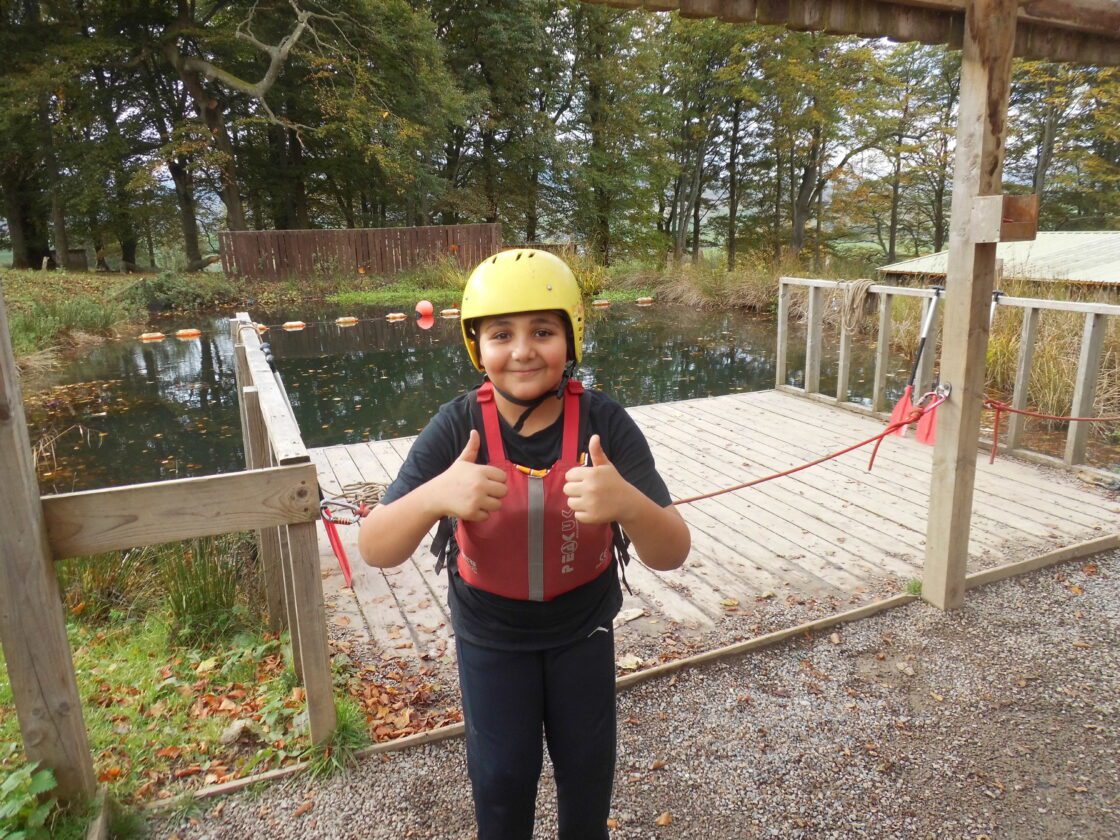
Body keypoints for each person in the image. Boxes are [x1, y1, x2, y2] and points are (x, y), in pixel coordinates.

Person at [358, 248, 690, 840]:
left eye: (542, 331)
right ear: (477, 346)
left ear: (571, 337)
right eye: (501, 334)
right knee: (502, 780)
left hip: (583, 631)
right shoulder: (456, 424)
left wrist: (627, 503)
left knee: (587, 779)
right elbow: (376, 547)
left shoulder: (605, 423)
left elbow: (672, 551)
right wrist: (437, 493)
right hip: (491, 635)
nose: (522, 351)